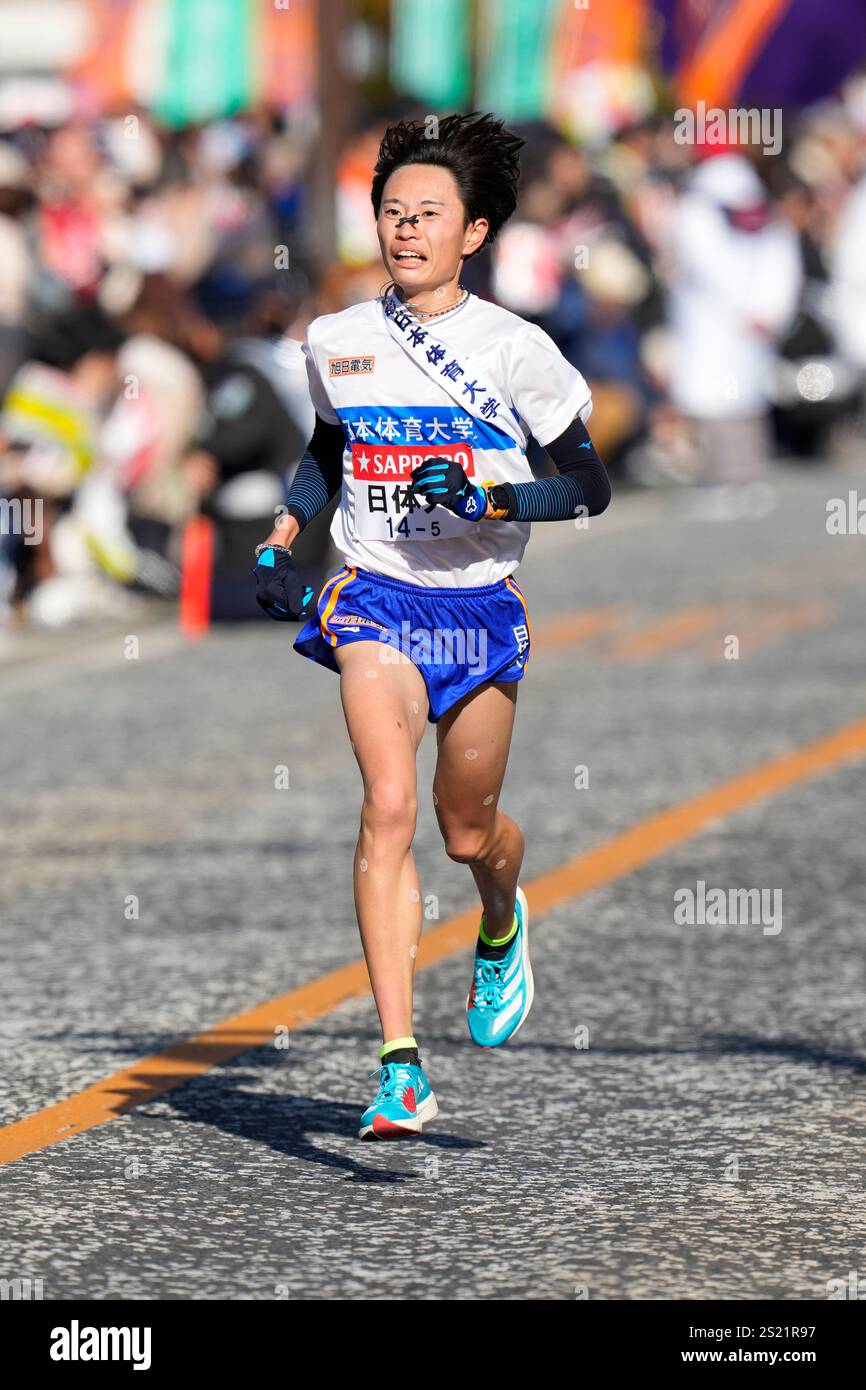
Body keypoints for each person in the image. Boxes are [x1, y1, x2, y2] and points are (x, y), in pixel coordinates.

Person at [253, 113, 611, 1139]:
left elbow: (586, 485)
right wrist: (284, 535)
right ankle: (399, 1063)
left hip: (480, 610)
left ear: (474, 232)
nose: (404, 230)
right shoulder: (337, 339)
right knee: (388, 803)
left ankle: (500, 918)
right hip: (374, 594)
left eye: (428, 215)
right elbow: (328, 449)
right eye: (391, 212)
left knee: (466, 831)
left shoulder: (515, 348)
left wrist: (492, 500)